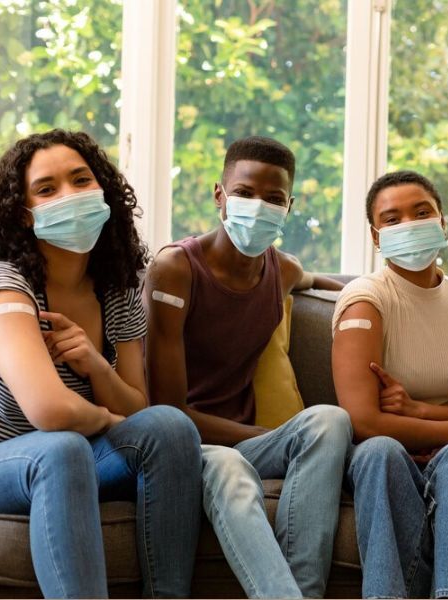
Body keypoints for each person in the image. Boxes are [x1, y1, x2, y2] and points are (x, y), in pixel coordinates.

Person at [0, 129, 202, 598]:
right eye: (47, 189)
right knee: (61, 448)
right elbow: (49, 411)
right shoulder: (3, 284)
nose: (70, 196)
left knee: (170, 426)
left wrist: (96, 367)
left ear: (103, 191)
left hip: (82, 458)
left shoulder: (119, 288)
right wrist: (107, 418)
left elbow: (141, 410)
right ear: (24, 215)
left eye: (81, 180)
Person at [145, 136, 351, 599]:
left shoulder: (284, 271)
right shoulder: (175, 269)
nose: (258, 207)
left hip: (245, 441)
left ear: (290, 206)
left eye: (274, 198)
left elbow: (334, 286)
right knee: (231, 466)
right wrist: (272, 437)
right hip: (185, 447)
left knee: (331, 419)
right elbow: (169, 412)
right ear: (220, 194)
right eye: (244, 193)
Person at [332, 170, 448, 599]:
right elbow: (364, 421)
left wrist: (418, 412)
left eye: (421, 212)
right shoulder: (366, 298)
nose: (408, 224)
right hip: (382, 454)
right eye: (391, 219)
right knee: (380, 451)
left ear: (442, 221)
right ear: (376, 237)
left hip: (447, 453)